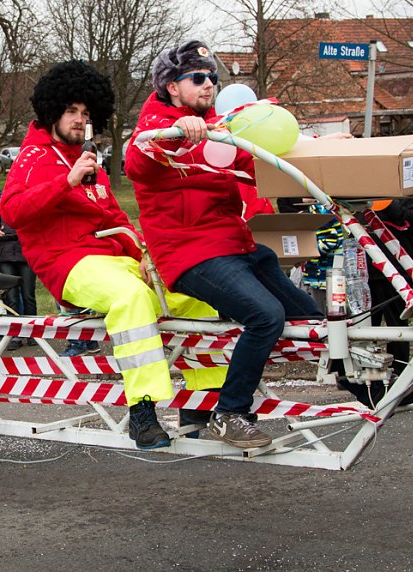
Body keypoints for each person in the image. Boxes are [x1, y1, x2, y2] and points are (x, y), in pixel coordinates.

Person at [125, 40, 324, 448]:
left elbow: (256, 168)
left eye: (212, 78)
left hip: (237, 246)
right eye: (197, 78)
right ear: (171, 86)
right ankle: (230, 413)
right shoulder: (154, 130)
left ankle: (367, 388)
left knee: (311, 318)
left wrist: (317, 160)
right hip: (190, 254)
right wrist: (177, 136)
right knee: (266, 315)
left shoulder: (220, 130)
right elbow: (137, 162)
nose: (208, 85)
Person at [1, 61, 175, 449]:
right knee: (129, 299)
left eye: (85, 113)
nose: (80, 120)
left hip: (113, 258)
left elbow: (115, 217)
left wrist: (146, 255)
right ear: (53, 113)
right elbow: (11, 212)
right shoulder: (33, 158)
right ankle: (142, 410)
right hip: (69, 262)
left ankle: (208, 406)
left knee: (187, 290)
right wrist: (65, 181)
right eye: (71, 111)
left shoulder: (86, 158)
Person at [340, 197, 413, 407]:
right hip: (364, 272)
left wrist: (389, 206)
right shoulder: (362, 195)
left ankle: (402, 374)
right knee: (363, 328)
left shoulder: (410, 193)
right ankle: (366, 379)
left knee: (398, 327)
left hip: (398, 271)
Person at [0, 176, 37, 349]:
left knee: (28, 294)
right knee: (11, 296)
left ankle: (33, 331)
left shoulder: (30, 204)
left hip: (25, 254)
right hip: (4, 255)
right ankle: (15, 334)